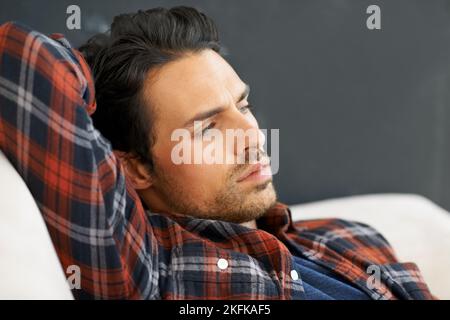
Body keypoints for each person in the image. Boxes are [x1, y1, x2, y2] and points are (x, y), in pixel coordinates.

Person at [0, 6, 434, 299]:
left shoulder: (347, 236)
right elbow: (24, 62)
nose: (251, 134)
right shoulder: (150, 267)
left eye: (243, 105)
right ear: (134, 167)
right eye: (207, 128)